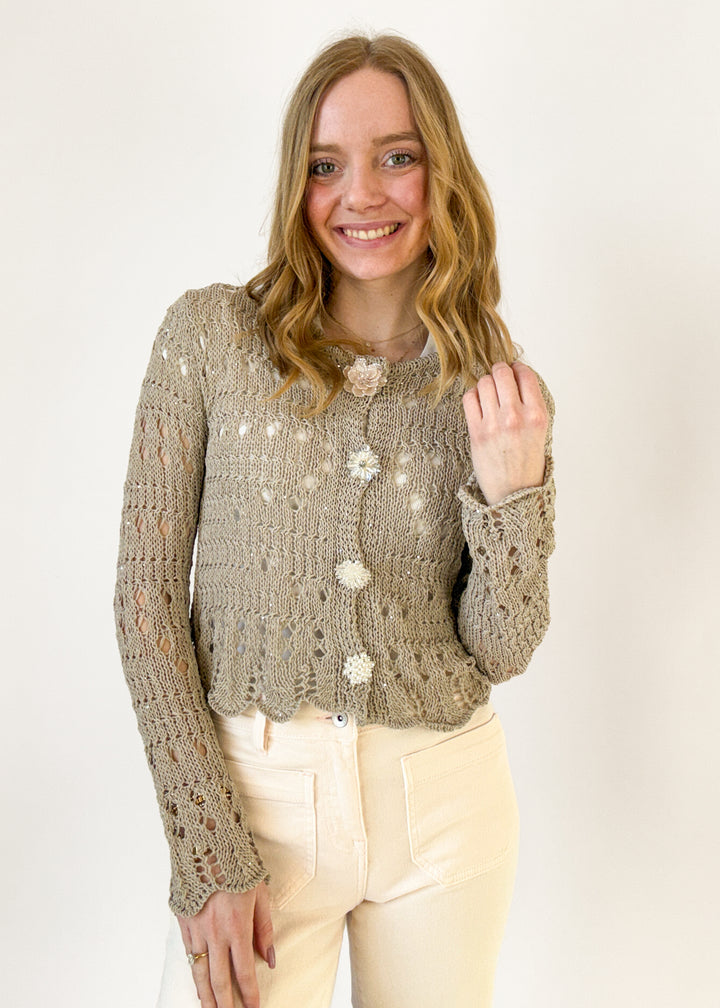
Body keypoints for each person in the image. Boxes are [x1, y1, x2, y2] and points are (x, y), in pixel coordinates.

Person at [113, 32, 555, 1008]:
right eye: (326, 166)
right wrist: (207, 847)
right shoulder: (212, 339)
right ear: (295, 186)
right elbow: (145, 605)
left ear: (440, 169)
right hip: (256, 811)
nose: (363, 194)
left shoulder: (494, 382)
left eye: (397, 156)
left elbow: (502, 645)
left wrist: (511, 495)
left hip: (445, 806)